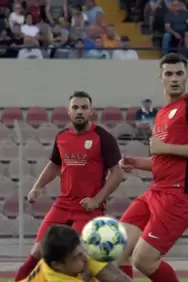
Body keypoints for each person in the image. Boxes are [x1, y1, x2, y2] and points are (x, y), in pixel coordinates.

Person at [117, 53, 188, 282]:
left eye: (179, 74)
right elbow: (163, 160)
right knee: (118, 249)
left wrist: (165, 146)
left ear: (186, 76)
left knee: (143, 260)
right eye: (169, 74)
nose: (174, 79)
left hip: (180, 194)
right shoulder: (161, 113)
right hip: (157, 190)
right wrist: (137, 163)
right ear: (160, 77)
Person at [15, 91, 124, 282]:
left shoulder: (103, 138)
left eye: (84, 107)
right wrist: (37, 187)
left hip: (88, 208)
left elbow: (118, 173)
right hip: (63, 205)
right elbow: (55, 165)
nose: (79, 111)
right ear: (68, 111)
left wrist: (97, 199)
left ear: (91, 111)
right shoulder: (62, 137)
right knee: (37, 252)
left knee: (82, 259)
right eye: (75, 107)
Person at [21, 224, 132, 282]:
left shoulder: (78, 252)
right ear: (58, 265)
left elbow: (117, 278)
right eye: (76, 257)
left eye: (82, 252)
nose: (85, 258)